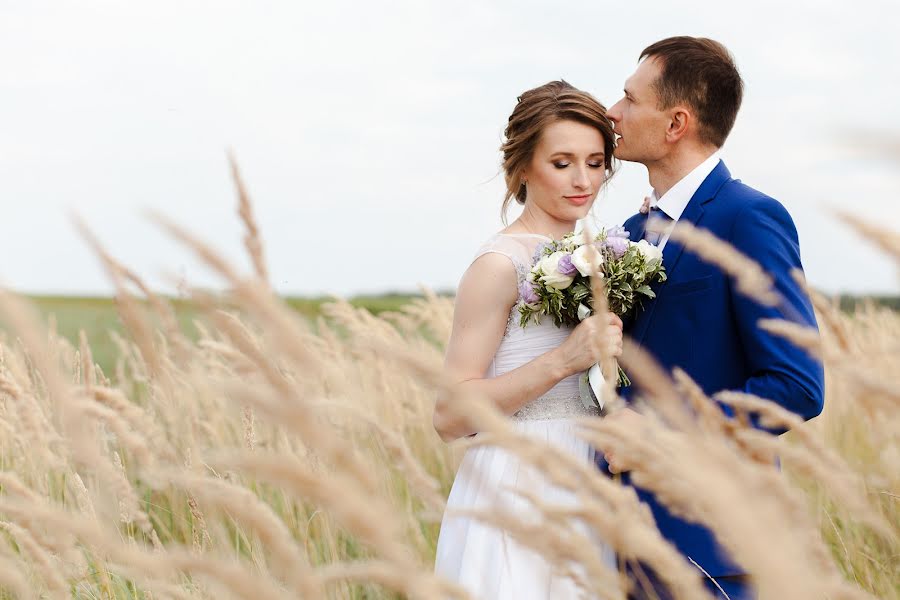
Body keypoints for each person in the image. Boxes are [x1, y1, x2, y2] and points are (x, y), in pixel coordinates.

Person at [601, 37, 826, 599]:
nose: (613, 112)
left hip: (712, 548)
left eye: (630, 99)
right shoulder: (627, 233)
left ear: (676, 123)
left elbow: (796, 386)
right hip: (617, 541)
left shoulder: (748, 218)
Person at [432, 80, 623, 599]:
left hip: (592, 478)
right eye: (561, 163)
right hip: (518, 484)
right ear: (522, 168)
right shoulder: (499, 264)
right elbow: (449, 416)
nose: (583, 179)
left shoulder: (605, 255)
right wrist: (563, 360)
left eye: (595, 160)